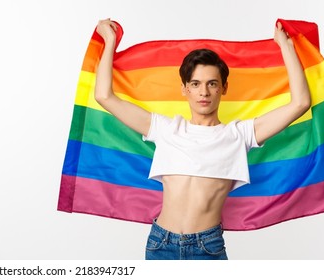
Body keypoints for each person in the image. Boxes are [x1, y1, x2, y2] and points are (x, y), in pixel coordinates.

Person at [94, 18, 311, 260]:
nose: (204, 92)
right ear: (184, 89)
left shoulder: (239, 135)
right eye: (195, 84)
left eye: (212, 84)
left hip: (207, 246)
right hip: (160, 243)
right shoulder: (165, 129)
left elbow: (300, 103)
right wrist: (109, 42)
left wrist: (285, 46)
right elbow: (104, 96)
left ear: (224, 88)